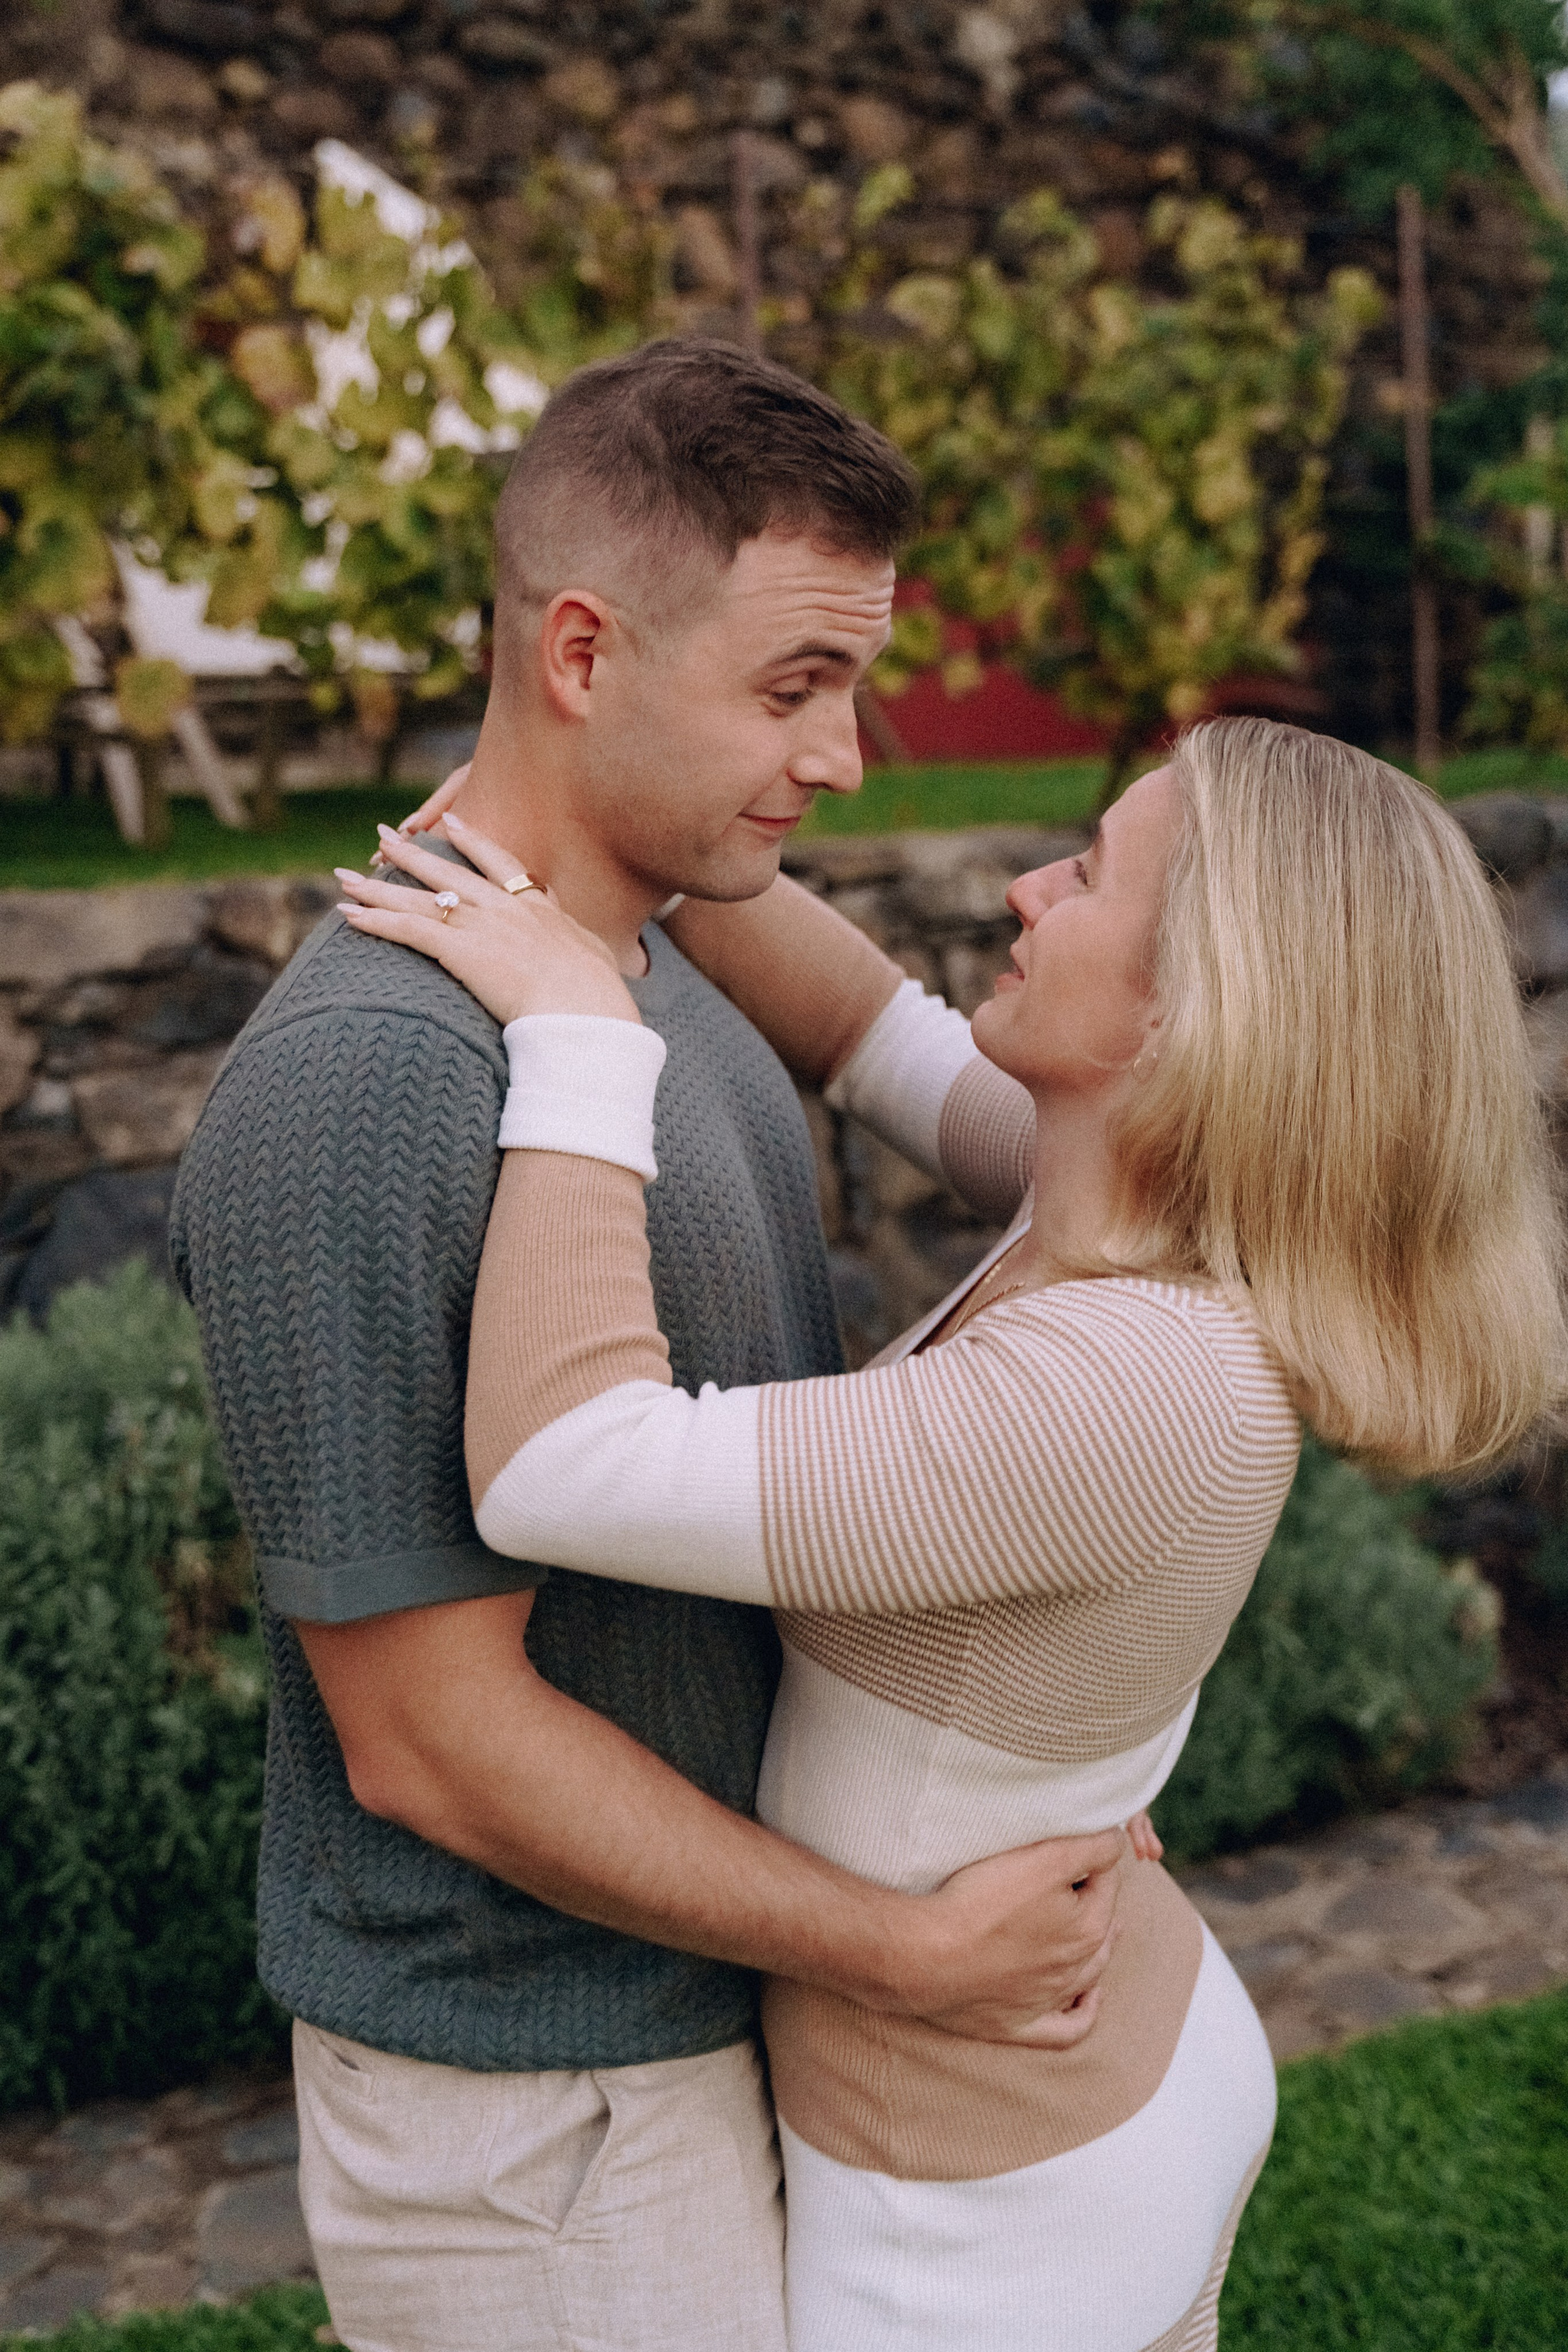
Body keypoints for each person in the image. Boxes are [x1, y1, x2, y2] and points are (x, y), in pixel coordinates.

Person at [339, 712, 1566, 2352]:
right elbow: (863, 1027)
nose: (1021, 889)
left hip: (987, 2220)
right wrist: (614, 800)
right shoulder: (1132, 1214)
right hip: (1097, 2065)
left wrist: (576, 1029)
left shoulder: (1136, 1380)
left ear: (1199, 1006)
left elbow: (560, 1465)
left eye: (1090, 878)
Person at [169, 338, 1137, 2352]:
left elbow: (921, 1064)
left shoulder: (647, 958)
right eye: (796, 688)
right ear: (585, 656)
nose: (854, 755)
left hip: (696, 2026)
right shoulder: (373, 1082)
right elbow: (429, 1741)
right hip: (547, 2117)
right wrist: (902, 1950)